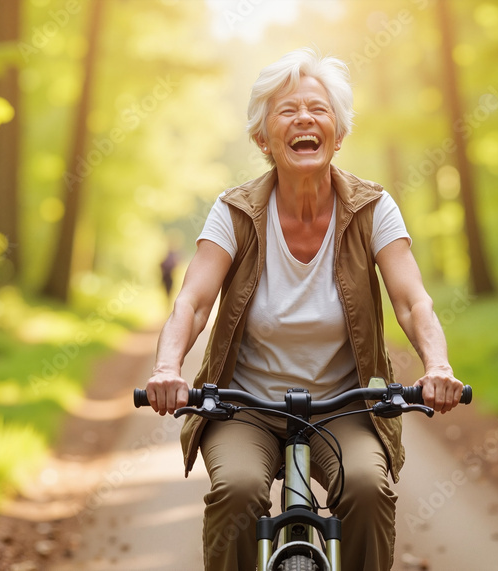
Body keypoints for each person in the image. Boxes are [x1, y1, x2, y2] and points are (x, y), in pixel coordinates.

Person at [143, 48, 464, 571]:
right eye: (286, 111)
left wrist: (438, 367)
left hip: (345, 406)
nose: (304, 119)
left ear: (339, 132)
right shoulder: (235, 211)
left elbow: (412, 301)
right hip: (242, 405)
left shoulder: (372, 207)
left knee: (367, 489)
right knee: (238, 491)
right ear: (262, 138)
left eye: (318, 109)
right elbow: (193, 301)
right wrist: (166, 369)